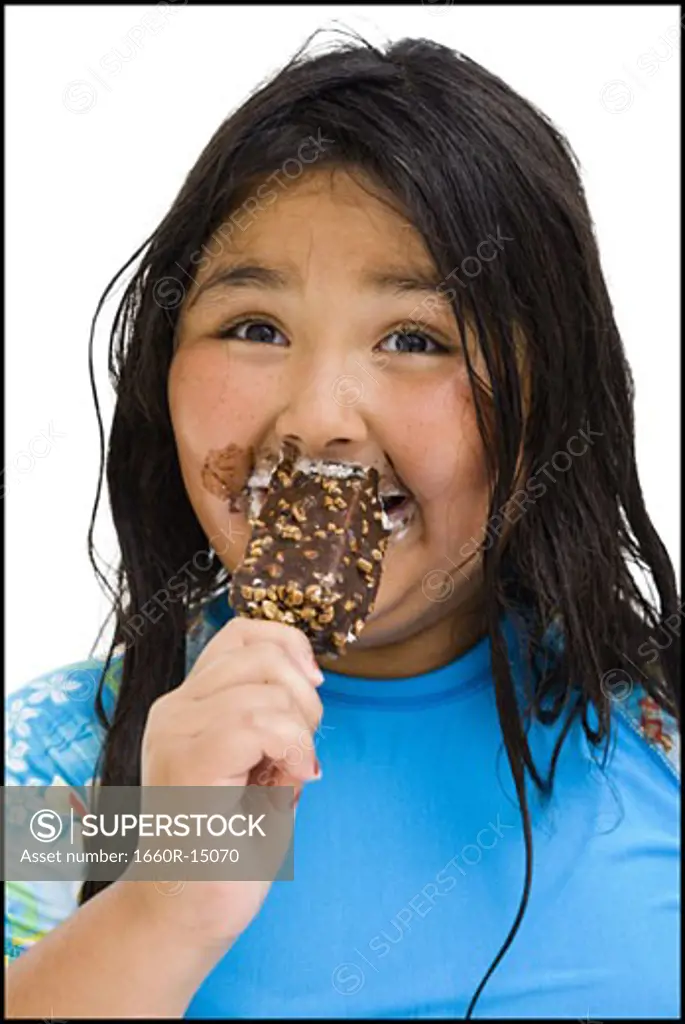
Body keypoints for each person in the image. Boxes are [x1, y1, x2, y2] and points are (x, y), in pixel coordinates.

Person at [5, 30, 680, 1020]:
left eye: (415, 339)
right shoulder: (67, 771)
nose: (319, 413)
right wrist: (166, 898)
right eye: (254, 327)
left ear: (546, 408)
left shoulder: (660, 740)